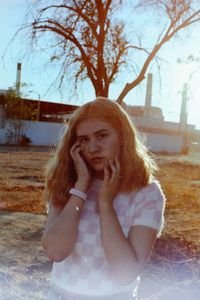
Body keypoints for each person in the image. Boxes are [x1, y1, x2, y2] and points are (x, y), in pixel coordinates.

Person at [42, 97, 166, 300]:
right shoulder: (65, 183)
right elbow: (56, 251)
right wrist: (80, 188)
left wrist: (105, 203)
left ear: (122, 136)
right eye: (84, 139)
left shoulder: (148, 193)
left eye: (102, 135)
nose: (92, 148)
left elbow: (125, 273)